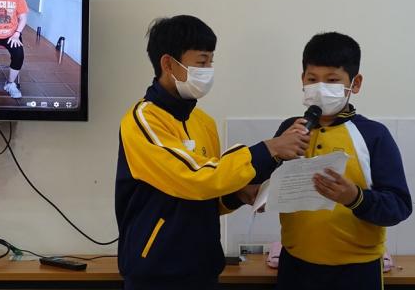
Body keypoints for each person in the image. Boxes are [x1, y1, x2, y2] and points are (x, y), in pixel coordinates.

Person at [115, 15, 310, 290]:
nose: (208, 70)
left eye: (211, 62)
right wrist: (269, 148)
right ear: (168, 64)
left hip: (203, 268)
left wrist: (239, 195)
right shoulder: (142, 121)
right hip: (156, 273)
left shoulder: (203, 122)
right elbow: (194, 179)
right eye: (201, 62)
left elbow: (210, 191)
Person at [274, 32, 412, 290]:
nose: (320, 87)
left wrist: (355, 198)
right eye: (312, 79)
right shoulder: (289, 129)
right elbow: (267, 184)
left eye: (332, 80)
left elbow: (399, 207)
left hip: (357, 271)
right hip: (295, 265)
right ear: (302, 80)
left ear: (355, 83)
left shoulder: (374, 135)